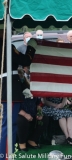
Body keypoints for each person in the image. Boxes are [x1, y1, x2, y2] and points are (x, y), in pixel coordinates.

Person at [0, 31, 36, 159]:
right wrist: (31, 48)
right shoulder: (6, 47)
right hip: (10, 88)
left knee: (9, 124)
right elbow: (24, 60)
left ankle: (7, 154)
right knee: (9, 125)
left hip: (7, 86)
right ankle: (4, 156)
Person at [17, 76, 49, 152]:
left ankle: (32, 140)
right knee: (21, 121)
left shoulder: (31, 89)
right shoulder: (14, 90)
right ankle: (22, 142)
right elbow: (13, 107)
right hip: (19, 113)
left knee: (45, 119)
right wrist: (25, 114)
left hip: (32, 113)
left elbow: (38, 103)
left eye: (22, 76)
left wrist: (39, 112)